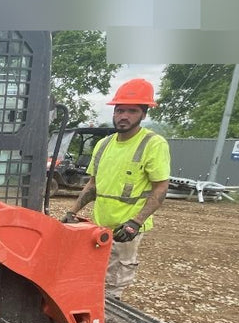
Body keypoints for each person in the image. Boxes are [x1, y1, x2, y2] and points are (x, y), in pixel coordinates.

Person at [61, 78, 170, 299]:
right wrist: (72, 212)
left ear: (144, 114)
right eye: (120, 110)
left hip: (125, 228)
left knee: (113, 285)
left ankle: (108, 320)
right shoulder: (104, 145)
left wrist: (136, 222)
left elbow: (160, 188)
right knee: (90, 277)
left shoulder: (153, 144)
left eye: (131, 111)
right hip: (99, 226)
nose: (124, 116)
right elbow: (93, 186)